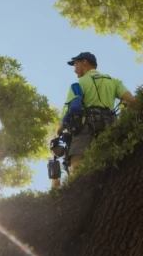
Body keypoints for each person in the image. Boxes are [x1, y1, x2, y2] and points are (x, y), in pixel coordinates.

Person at [52, 52, 137, 188]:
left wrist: (58, 131)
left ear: (85, 63)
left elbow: (69, 111)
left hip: (84, 130)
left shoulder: (79, 84)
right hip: (110, 128)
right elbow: (132, 101)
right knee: (109, 165)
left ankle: (74, 194)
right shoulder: (113, 81)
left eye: (76, 64)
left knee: (77, 166)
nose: (74, 68)